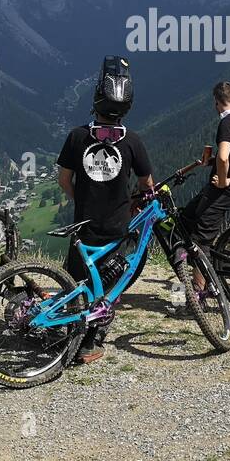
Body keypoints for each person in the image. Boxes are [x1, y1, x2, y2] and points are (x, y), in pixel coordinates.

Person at [56, 55, 154, 365]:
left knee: (77, 283)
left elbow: (64, 180)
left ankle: (69, 331)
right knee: (109, 285)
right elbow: (146, 183)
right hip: (116, 226)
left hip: (83, 225)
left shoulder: (77, 136)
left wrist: (81, 199)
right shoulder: (133, 142)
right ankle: (92, 340)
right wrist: (134, 199)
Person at [177, 81, 230, 249]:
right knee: (188, 215)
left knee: (201, 240)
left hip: (223, 190)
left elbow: (224, 157)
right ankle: (183, 258)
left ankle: (203, 272)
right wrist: (212, 161)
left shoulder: (227, 123)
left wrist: (223, 179)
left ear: (216, 102)